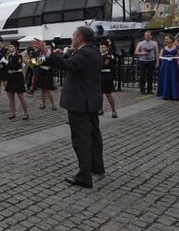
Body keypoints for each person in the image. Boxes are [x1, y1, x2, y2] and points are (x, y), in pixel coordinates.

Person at [32, 26, 104, 189]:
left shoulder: (84, 53)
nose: (71, 38)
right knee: (93, 135)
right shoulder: (93, 51)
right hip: (91, 101)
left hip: (80, 102)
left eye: (73, 36)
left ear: (80, 38)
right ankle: (97, 166)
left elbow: (67, 66)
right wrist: (61, 54)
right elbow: (73, 62)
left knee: (81, 139)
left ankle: (85, 176)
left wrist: (46, 51)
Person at [1, 40, 29, 120]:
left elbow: (15, 66)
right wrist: (3, 62)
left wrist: (6, 62)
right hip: (10, 76)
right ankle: (12, 113)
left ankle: (26, 113)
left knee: (20, 96)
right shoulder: (9, 55)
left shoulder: (19, 55)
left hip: (17, 76)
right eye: (10, 46)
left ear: (16, 48)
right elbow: (7, 67)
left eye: (11, 46)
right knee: (10, 96)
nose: (9, 48)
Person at [157, 34, 179, 100]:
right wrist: (166, 58)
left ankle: (174, 95)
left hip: (173, 65)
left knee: (173, 78)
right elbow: (160, 56)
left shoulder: (177, 47)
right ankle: (165, 94)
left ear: (171, 39)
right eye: (165, 39)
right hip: (165, 65)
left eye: (167, 39)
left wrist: (173, 57)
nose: (166, 40)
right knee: (165, 78)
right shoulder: (163, 47)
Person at [36, 41, 57, 111]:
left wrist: (44, 59)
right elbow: (36, 63)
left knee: (48, 89)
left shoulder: (52, 54)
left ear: (50, 47)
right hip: (41, 72)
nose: (46, 48)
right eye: (45, 46)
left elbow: (53, 63)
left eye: (47, 46)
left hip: (48, 72)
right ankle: (43, 103)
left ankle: (53, 104)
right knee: (42, 89)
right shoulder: (41, 53)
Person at [99, 41, 117, 118]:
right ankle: (100, 109)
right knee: (99, 95)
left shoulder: (109, 56)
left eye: (103, 47)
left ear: (107, 47)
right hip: (99, 76)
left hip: (106, 77)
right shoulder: (99, 55)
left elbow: (104, 65)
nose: (101, 49)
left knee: (108, 94)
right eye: (100, 47)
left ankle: (113, 111)